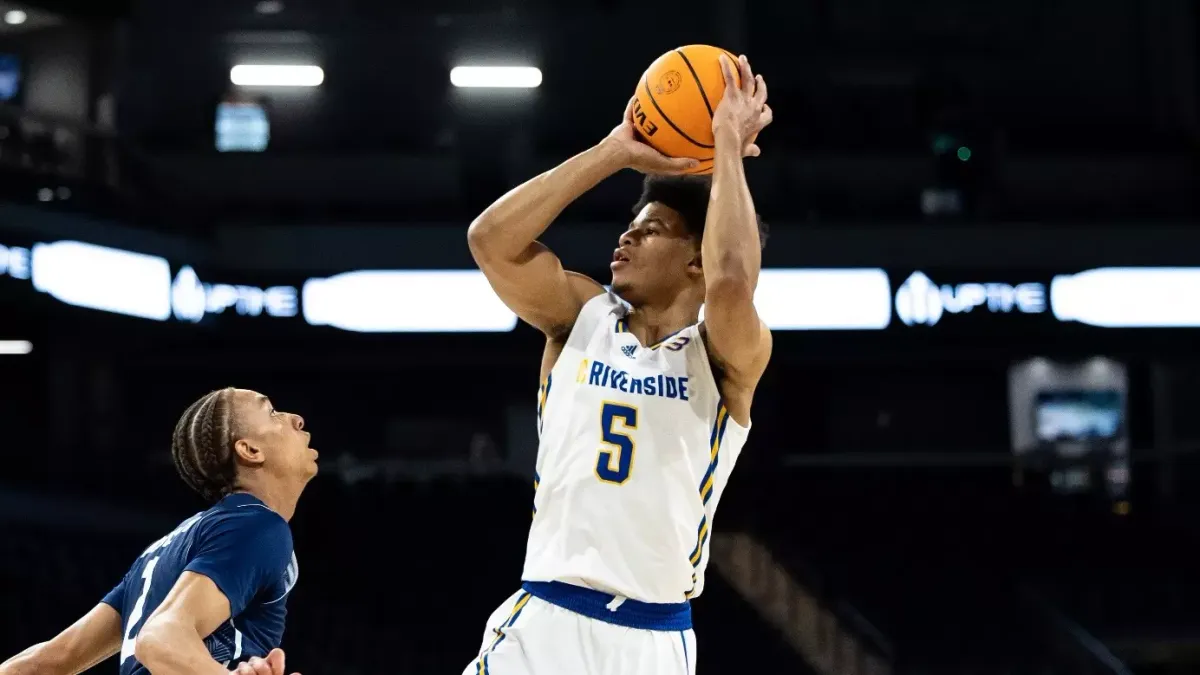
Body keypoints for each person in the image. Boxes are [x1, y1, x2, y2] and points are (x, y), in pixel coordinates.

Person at [462, 53, 773, 675]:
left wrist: (725, 146)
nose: (625, 239)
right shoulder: (581, 317)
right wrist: (612, 152)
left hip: (652, 639)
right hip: (545, 620)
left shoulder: (722, 356)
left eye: (651, 228)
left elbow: (734, 281)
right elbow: (489, 241)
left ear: (695, 262)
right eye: (630, 228)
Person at [0, 388, 318, 675]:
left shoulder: (169, 548)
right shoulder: (257, 526)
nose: (297, 420)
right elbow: (160, 637)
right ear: (249, 450)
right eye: (272, 413)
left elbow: (45, 663)